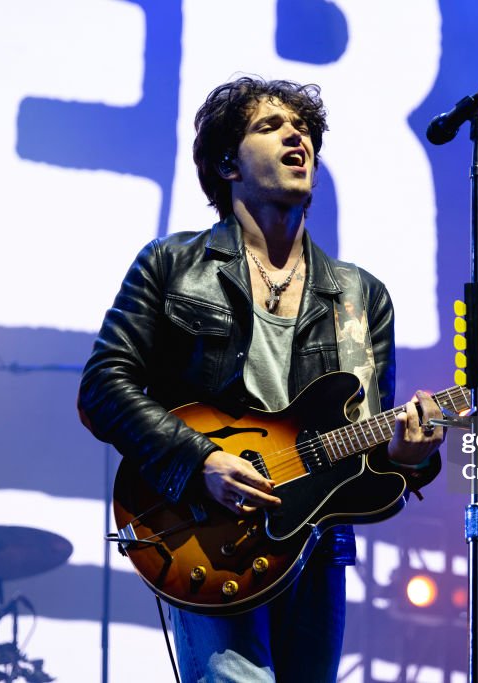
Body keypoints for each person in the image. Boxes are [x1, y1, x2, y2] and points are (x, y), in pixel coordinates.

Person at [78, 76, 443, 682]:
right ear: (227, 162)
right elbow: (102, 385)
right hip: (208, 530)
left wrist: (409, 456)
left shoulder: (360, 295)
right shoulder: (172, 264)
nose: (296, 135)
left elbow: (371, 448)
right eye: (270, 126)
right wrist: (198, 462)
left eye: (303, 130)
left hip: (317, 546)